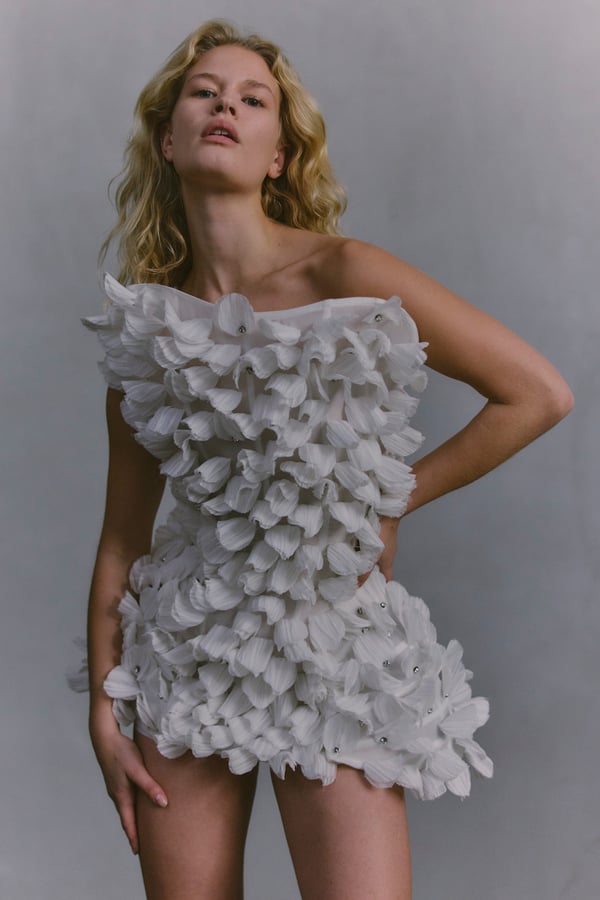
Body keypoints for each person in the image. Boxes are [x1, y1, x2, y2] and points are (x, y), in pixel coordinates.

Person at [68, 19, 573, 900]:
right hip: (187, 653)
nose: (225, 104)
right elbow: (121, 542)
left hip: (335, 644)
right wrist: (103, 714)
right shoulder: (147, 332)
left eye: (252, 98)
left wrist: (389, 501)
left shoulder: (347, 272)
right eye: (204, 92)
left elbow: (538, 394)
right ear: (168, 139)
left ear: (278, 156)